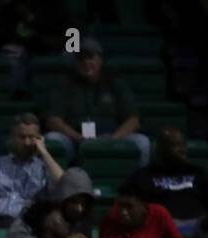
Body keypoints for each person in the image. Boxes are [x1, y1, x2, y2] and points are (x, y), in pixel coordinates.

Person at [43, 38, 150, 167]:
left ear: (100, 60)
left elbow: (134, 119)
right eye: (81, 59)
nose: (86, 62)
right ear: (76, 63)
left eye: (91, 58)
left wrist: (113, 139)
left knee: (142, 142)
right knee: (53, 139)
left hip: (113, 138)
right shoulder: (64, 84)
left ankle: (140, 183)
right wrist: (78, 138)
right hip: (75, 140)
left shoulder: (115, 82)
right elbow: (53, 119)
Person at [125, 127, 208, 237]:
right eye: (175, 145)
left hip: (198, 225)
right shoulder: (143, 176)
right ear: (161, 149)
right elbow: (129, 205)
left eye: (183, 145)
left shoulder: (198, 173)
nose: (182, 150)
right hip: (163, 227)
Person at [97, 181, 186, 238]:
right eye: (120, 206)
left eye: (129, 207)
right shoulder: (111, 218)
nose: (123, 212)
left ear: (143, 206)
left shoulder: (159, 213)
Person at [3, 166, 95, 238]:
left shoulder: (84, 218)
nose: (79, 209)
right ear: (64, 197)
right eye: (74, 202)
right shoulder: (38, 210)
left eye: (84, 203)